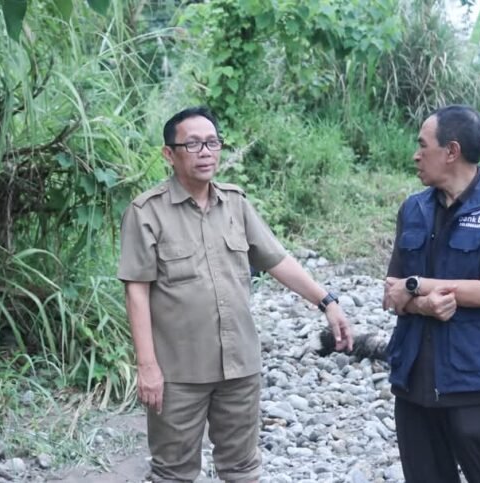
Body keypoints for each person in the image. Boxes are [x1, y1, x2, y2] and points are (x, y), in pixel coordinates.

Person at [118, 106, 353, 482]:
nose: (206, 152)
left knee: (242, 469)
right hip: (179, 371)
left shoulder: (235, 203)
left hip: (239, 366)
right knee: (173, 472)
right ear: (169, 154)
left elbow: (277, 260)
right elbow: (137, 292)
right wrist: (147, 367)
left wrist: (327, 302)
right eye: (192, 144)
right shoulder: (147, 212)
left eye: (212, 142)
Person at [382, 105, 480, 483]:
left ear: (451, 151)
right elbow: (391, 293)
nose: (415, 155)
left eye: (423, 146)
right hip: (415, 380)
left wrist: (417, 286)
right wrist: (424, 305)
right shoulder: (412, 209)